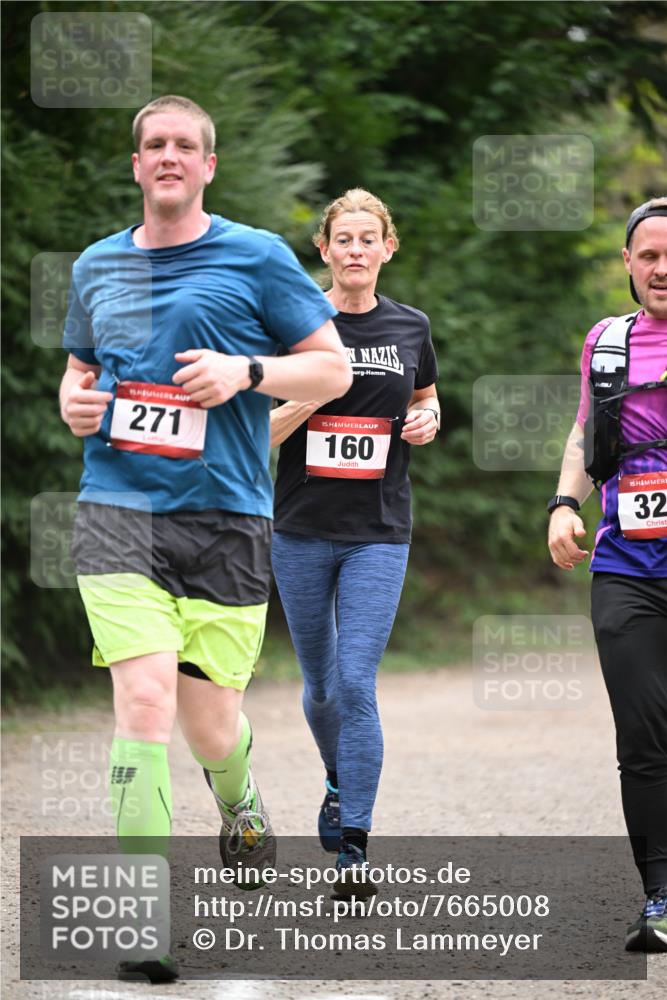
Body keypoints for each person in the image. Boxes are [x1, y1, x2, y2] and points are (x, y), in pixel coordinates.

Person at [59, 95, 352, 981]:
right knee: (144, 702)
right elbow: (79, 375)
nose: (168, 156)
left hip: (227, 519)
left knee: (210, 725)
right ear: (136, 164)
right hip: (118, 510)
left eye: (184, 145)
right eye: (154, 144)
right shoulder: (97, 265)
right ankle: (141, 921)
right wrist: (75, 403)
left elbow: (332, 369)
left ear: (208, 165)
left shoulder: (255, 256)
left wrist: (246, 371)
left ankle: (240, 795)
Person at [270, 188, 439, 896]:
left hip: (378, 531)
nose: (356, 250)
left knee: (354, 681)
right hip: (301, 528)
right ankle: (337, 778)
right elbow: (254, 433)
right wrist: (310, 396)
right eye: (344, 238)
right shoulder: (295, 324)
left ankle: (355, 848)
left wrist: (429, 418)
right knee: (318, 686)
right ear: (325, 248)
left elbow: (424, 397)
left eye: (369, 238)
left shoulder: (410, 326)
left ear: (387, 248)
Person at [548, 197, 667, 952]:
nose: (662, 269)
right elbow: (587, 433)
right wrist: (565, 503)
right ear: (627, 262)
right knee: (643, 735)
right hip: (626, 565)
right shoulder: (608, 342)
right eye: (649, 255)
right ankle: (659, 898)